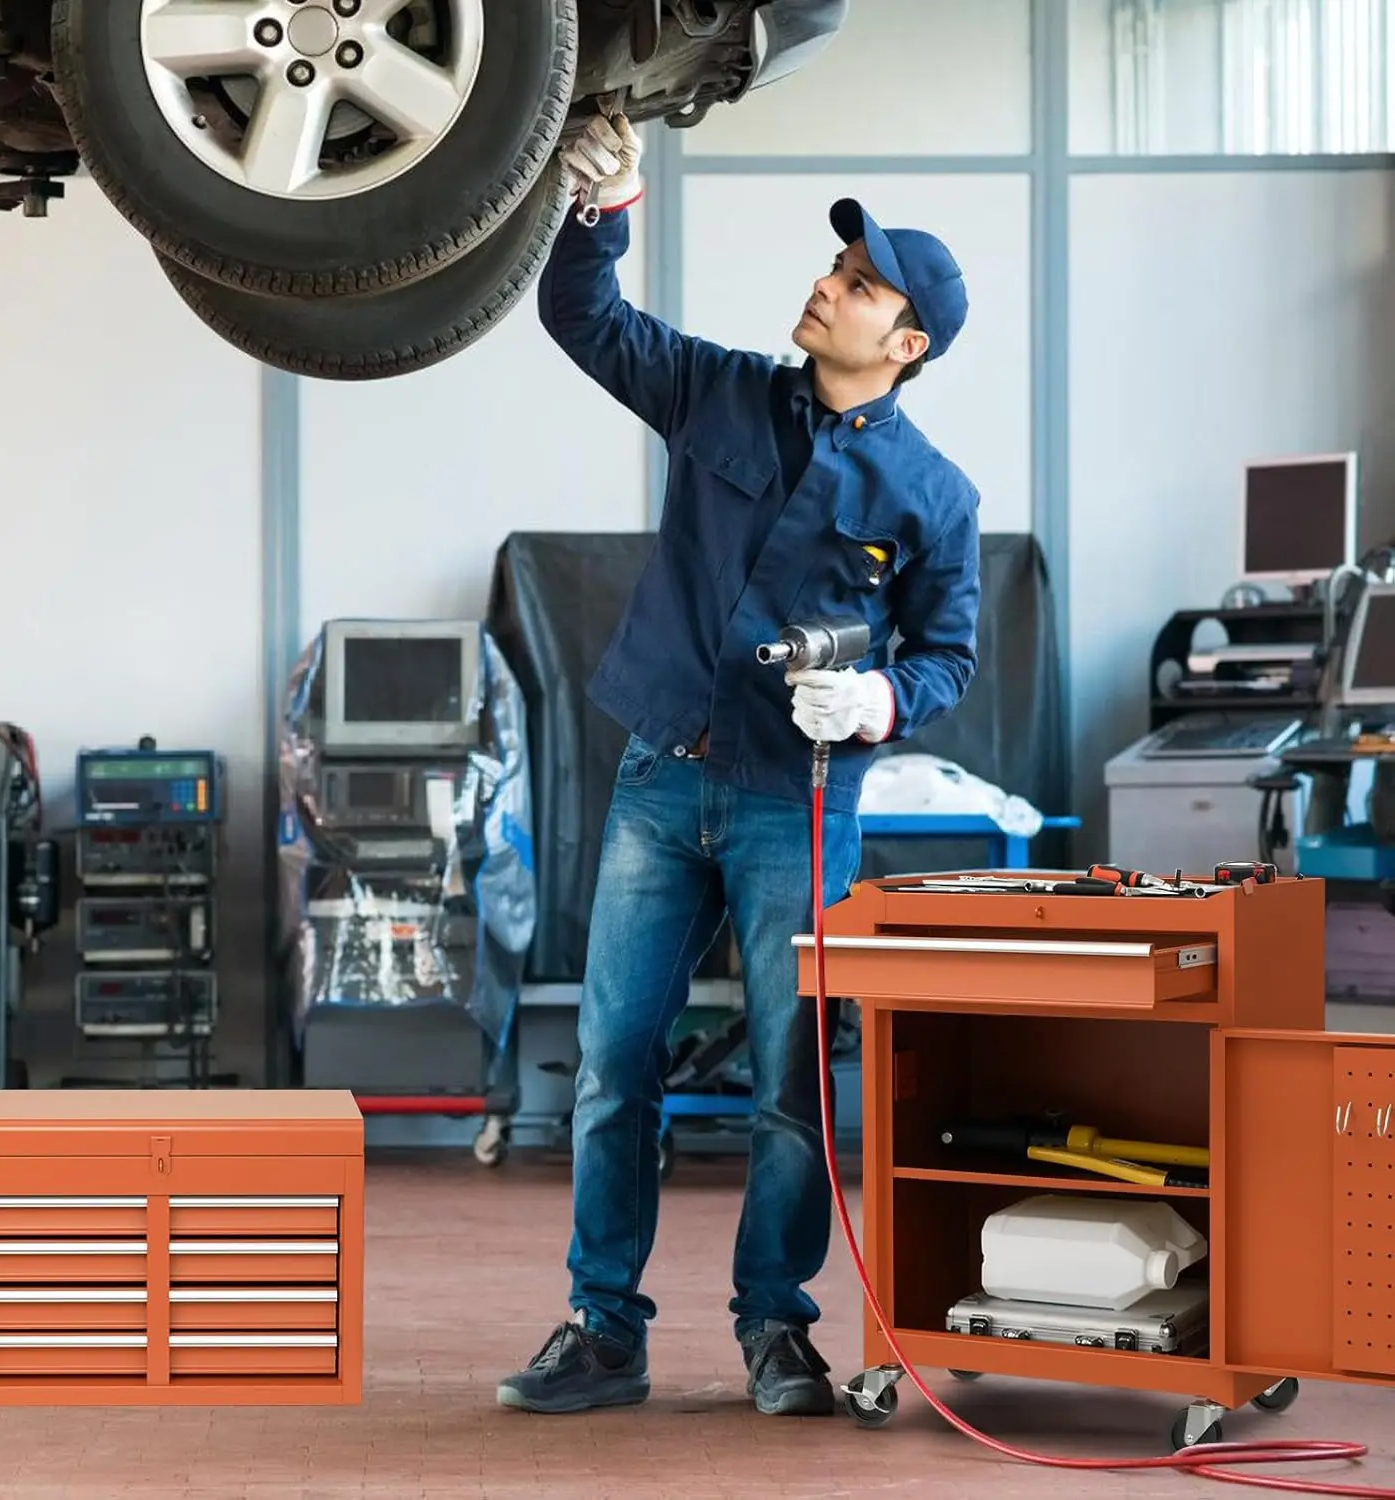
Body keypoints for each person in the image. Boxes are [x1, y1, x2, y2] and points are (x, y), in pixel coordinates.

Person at [496, 112, 982, 1418]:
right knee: (613, 1066)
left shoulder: (935, 498)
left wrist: (880, 696)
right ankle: (604, 1328)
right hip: (661, 775)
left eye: (863, 285)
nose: (830, 285)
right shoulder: (717, 390)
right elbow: (584, 320)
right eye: (838, 269)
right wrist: (606, 207)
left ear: (909, 343)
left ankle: (777, 1326)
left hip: (795, 807)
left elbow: (951, 656)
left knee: (790, 1083)